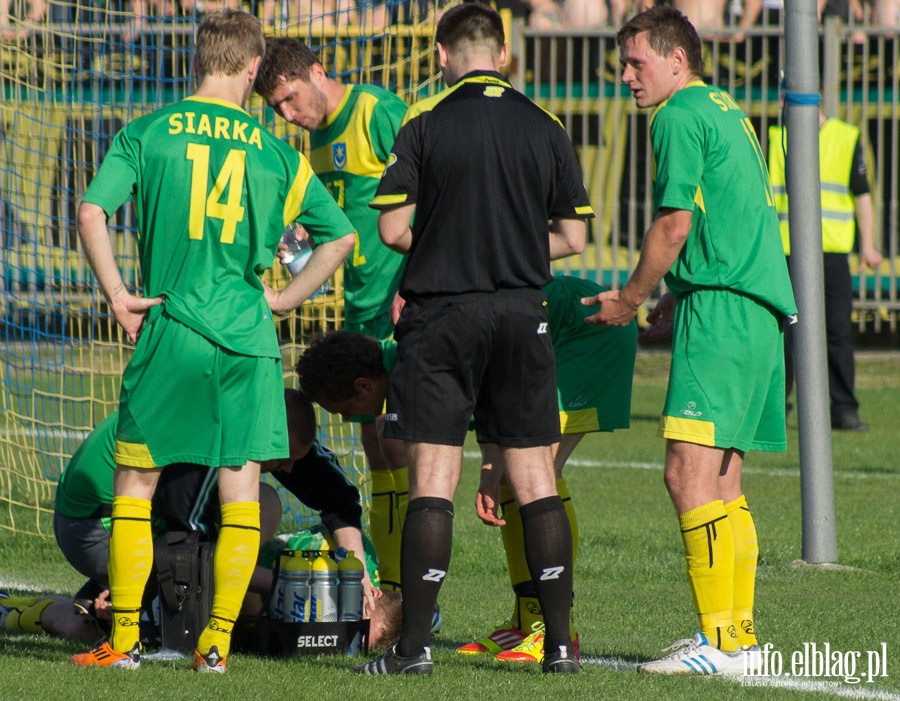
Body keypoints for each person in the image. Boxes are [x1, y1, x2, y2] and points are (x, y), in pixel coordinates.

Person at [71, 9, 355, 673]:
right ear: (254, 68)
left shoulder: (149, 131)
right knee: (240, 493)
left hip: (172, 328)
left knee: (135, 485)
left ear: (197, 61)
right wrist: (282, 298)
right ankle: (217, 645)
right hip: (247, 340)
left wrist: (116, 294)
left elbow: (90, 211)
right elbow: (340, 236)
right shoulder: (279, 155)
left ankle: (124, 643)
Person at [350, 3, 591, 676]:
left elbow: (394, 231)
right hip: (521, 313)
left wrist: (454, 239)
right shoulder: (545, 126)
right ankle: (560, 646)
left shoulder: (422, 125)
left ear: (440, 56)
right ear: (505, 56)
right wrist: (511, 246)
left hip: (442, 315)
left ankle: (413, 648)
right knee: (535, 476)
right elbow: (573, 238)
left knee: (433, 475)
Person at [583, 6, 796, 676]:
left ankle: (715, 640)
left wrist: (630, 296)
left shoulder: (675, 114)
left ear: (678, 59)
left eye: (636, 63)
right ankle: (738, 638)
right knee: (725, 482)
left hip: (725, 311)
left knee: (686, 473)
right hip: (760, 311)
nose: (626, 77)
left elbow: (673, 225)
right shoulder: (725, 107)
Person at [296, 275, 638, 666]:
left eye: (343, 410)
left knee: (536, 476)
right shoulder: (412, 357)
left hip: (586, 332)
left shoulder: (421, 359)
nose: (349, 418)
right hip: (548, 331)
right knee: (517, 475)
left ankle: (558, 632)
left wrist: (491, 467)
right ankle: (528, 621)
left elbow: (496, 384)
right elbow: (496, 394)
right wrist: (491, 468)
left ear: (362, 385)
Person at [253, 38, 411, 591]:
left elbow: (436, 193)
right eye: (277, 109)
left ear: (318, 72)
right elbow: (339, 225)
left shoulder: (376, 112)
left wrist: (417, 283)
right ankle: (389, 587)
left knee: (403, 450)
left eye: (291, 99)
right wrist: (296, 243)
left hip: (403, 307)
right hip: (363, 312)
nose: (288, 115)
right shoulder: (315, 142)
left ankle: (410, 590)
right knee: (379, 451)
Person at [769, 113, 883, 431]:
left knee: (836, 332)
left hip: (831, 253)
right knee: (783, 334)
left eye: (785, 94)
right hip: (786, 250)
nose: (780, 102)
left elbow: (861, 194)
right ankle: (776, 409)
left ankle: (844, 409)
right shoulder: (775, 137)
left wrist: (869, 245)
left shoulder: (846, 136)